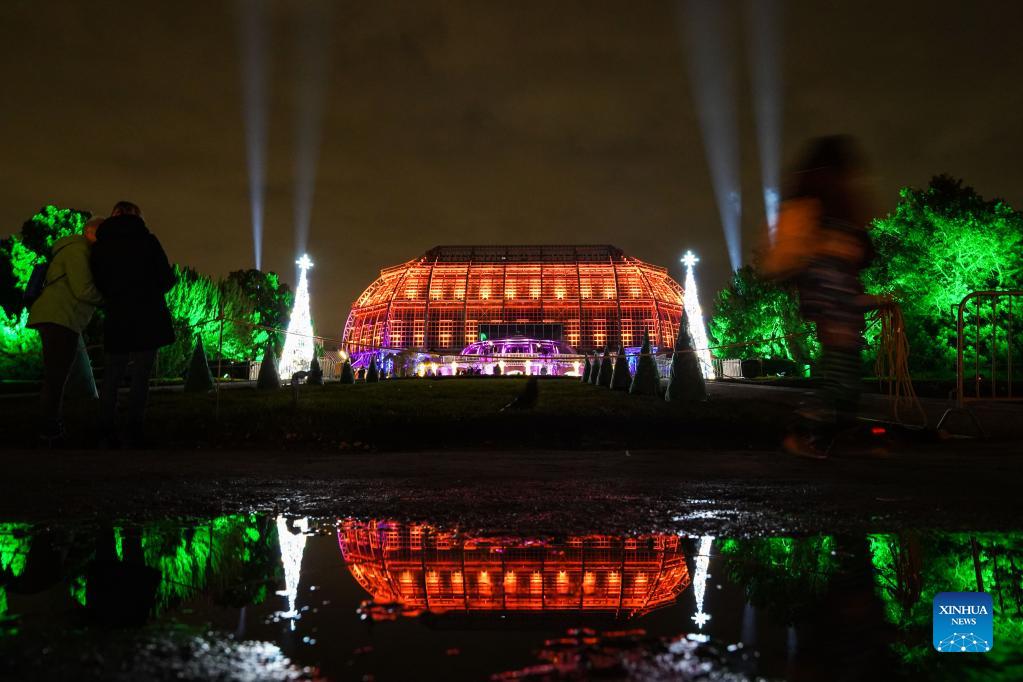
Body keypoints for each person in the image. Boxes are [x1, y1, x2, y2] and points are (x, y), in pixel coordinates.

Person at [763, 136, 888, 458]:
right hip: (833, 304)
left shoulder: (835, 212)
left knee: (847, 378)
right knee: (842, 378)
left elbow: (854, 261)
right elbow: (791, 260)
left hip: (841, 303)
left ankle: (827, 438)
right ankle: (804, 433)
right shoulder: (815, 211)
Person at [90, 201, 176, 447]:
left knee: (112, 375)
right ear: (138, 216)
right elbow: (166, 278)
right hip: (147, 315)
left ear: (113, 215)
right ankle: (134, 430)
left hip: (117, 314)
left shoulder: (102, 246)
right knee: (141, 376)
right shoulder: (148, 241)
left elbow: (98, 280)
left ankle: (105, 430)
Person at [27, 216, 105, 444]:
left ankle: (50, 426)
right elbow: (83, 289)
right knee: (56, 377)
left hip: (56, 316)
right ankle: (49, 429)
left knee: (56, 376)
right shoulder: (78, 251)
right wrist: (108, 298)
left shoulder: (70, 249)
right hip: (60, 317)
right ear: (92, 233)